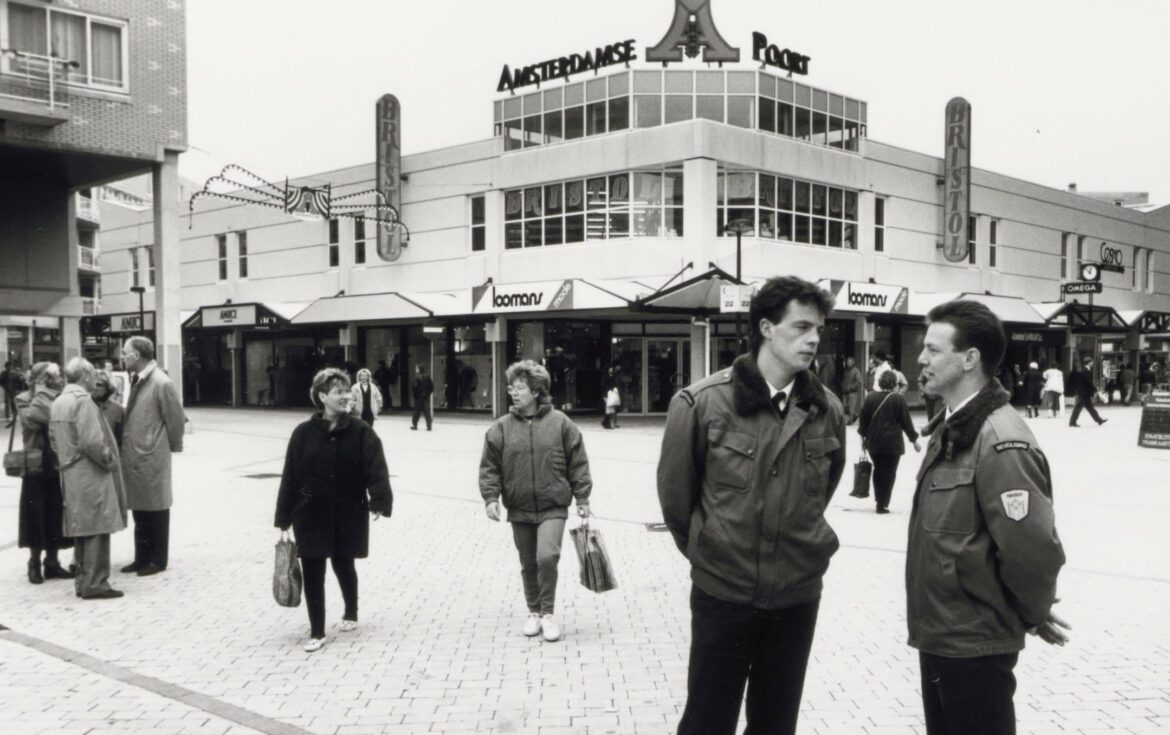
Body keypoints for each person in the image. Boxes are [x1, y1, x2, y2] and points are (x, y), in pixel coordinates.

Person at [657, 276, 846, 735]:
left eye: (818, 329)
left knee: (776, 722)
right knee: (707, 719)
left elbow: (824, 490)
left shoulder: (828, 410)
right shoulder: (701, 404)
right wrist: (713, 551)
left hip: (797, 596)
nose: (813, 339)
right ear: (765, 327)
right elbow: (677, 503)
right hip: (724, 594)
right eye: (801, 327)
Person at [911, 299, 1069, 734]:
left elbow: (1033, 550)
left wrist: (1032, 612)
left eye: (932, 349)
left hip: (974, 643)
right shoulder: (954, 428)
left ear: (970, 359)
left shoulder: (1000, 441)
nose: (921, 359)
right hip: (943, 634)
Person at [275, 368, 392, 652]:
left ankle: (351, 610)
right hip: (310, 512)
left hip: (349, 509)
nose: (346, 396)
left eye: (347, 391)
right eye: (338, 392)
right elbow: (290, 474)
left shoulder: (361, 431)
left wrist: (379, 499)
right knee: (313, 568)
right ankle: (317, 631)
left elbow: (376, 466)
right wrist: (284, 516)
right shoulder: (302, 433)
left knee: (343, 562)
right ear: (322, 396)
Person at [479, 360, 592, 644]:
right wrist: (491, 498)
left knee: (547, 557)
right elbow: (490, 466)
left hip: (554, 503)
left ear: (537, 390)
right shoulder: (501, 428)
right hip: (519, 506)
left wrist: (582, 497)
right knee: (528, 562)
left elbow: (577, 462)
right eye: (511, 388)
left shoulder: (561, 423)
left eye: (520, 388)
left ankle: (547, 613)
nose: (513, 393)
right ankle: (533, 612)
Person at [49, 358, 128, 600]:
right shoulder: (83, 402)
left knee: (82, 528)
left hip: (70, 472)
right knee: (97, 526)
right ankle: (96, 583)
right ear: (84, 375)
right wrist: (109, 460)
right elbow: (93, 441)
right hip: (90, 473)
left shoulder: (59, 401)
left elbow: (53, 439)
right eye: (93, 373)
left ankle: (83, 581)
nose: (96, 378)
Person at [119, 336, 185, 577]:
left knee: (155, 508)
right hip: (137, 456)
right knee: (140, 509)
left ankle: (157, 559)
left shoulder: (161, 383)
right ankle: (141, 557)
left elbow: (175, 418)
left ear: (137, 355)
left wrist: (173, 446)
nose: (122, 356)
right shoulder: (138, 379)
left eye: (125, 352)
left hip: (151, 455)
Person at [14, 362, 75, 585]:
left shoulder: (57, 397)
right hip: (35, 464)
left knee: (55, 511)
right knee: (34, 514)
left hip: (57, 461)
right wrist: (42, 393)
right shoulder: (23, 399)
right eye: (57, 376)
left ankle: (52, 562)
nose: (61, 379)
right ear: (44, 379)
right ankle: (34, 562)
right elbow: (38, 418)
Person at [857, 370, 920, 513]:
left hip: (874, 442)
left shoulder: (870, 397)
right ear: (894, 384)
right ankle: (883, 503)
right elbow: (906, 423)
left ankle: (879, 500)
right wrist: (914, 441)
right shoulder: (898, 399)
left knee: (878, 470)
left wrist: (863, 441)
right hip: (892, 444)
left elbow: (863, 421)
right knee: (889, 472)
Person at [1069, 358, 1107, 428]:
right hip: (1083, 392)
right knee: (1078, 407)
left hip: (1085, 392)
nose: (1093, 363)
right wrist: (1094, 389)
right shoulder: (1084, 371)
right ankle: (1072, 422)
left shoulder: (1085, 370)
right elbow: (1087, 382)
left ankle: (1099, 420)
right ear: (1089, 363)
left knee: (1090, 407)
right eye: (1092, 362)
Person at [93, 370, 124, 448]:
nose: (95, 388)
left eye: (99, 385)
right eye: (94, 384)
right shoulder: (86, 406)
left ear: (108, 387)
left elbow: (122, 440)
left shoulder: (118, 410)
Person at [410, 364, 434, 431]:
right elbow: (431, 387)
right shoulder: (427, 377)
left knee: (416, 412)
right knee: (427, 412)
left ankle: (415, 425)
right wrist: (428, 394)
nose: (416, 370)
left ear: (419, 369)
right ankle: (429, 426)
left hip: (418, 398)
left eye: (417, 368)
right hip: (426, 397)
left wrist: (415, 395)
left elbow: (414, 387)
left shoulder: (416, 377)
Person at [841, 356, 864, 425]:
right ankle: (847, 420)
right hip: (845, 393)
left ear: (853, 363)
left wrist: (850, 388)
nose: (848, 363)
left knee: (851, 408)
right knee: (844, 407)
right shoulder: (846, 371)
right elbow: (844, 380)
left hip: (852, 393)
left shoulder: (856, 371)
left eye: (849, 362)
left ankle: (850, 423)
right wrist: (842, 387)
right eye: (847, 362)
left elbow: (859, 381)